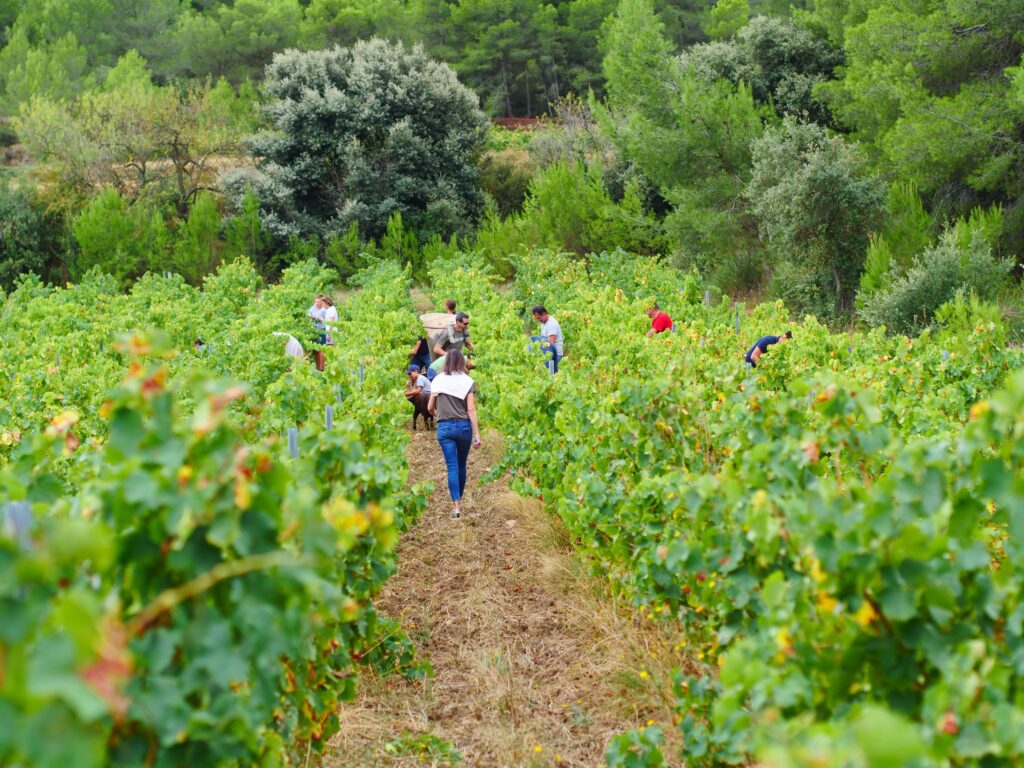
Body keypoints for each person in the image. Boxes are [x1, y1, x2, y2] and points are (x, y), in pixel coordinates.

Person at [428, 350, 481, 520]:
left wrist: (439, 415)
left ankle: (456, 507)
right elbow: (471, 409)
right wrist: (477, 434)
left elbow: (430, 407)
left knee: (451, 466)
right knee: (461, 465)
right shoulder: (467, 381)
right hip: (464, 427)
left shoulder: (438, 380)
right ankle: (460, 498)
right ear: (461, 362)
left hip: (445, 427)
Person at [531, 305, 563, 373]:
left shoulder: (551, 324)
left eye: (539, 318)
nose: (538, 320)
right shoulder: (544, 323)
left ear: (544, 314)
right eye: (536, 318)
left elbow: (550, 344)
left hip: (554, 356)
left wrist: (537, 348)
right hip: (548, 355)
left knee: (551, 377)